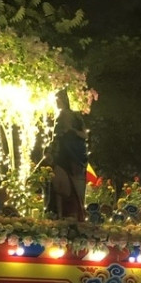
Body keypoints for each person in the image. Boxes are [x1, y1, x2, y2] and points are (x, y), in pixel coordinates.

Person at [48, 89, 88, 221]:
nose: (56, 103)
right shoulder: (66, 116)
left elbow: (84, 135)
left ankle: (65, 214)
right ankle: (61, 214)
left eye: (58, 101)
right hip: (65, 155)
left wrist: (71, 131)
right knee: (60, 187)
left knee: (62, 187)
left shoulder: (71, 117)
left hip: (70, 155)